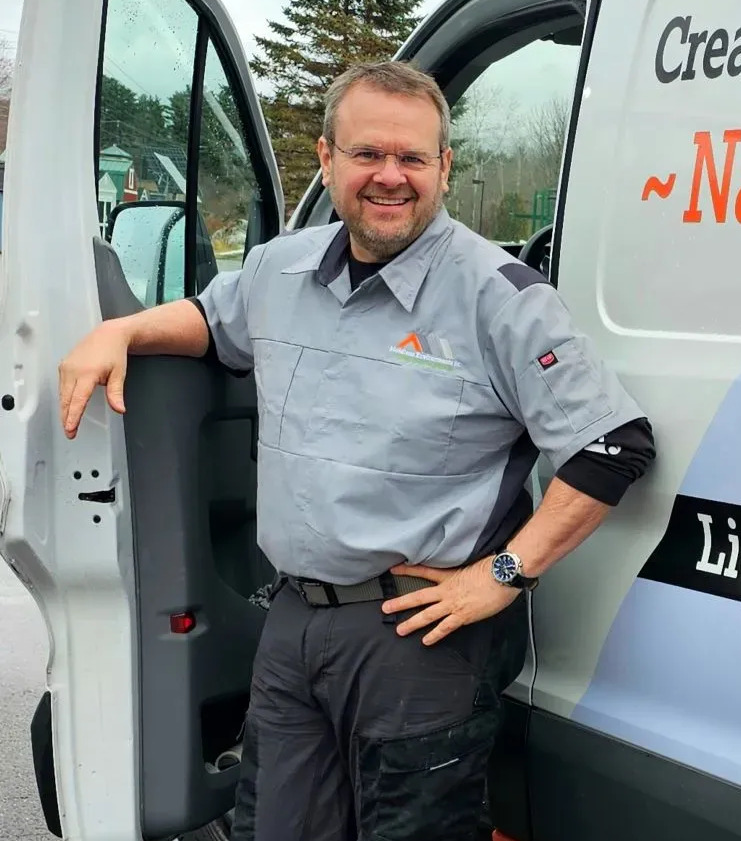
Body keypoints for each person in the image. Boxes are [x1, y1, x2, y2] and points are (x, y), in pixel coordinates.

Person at [57, 60, 656, 841]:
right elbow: (211, 322)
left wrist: (504, 574)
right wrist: (122, 329)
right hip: (296, 621)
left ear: (444, 167)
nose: (390, 176)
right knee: (274, 826)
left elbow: (611, 444)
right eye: (368, 153)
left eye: (412, 157)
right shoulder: (279, 267)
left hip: (419, 636)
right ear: (326, 157)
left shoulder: (498, 296)